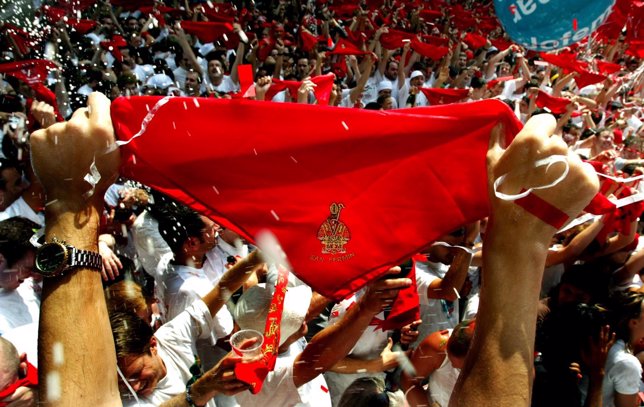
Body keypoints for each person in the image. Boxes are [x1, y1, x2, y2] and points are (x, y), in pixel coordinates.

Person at [401, 320, 476, 407]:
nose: (453, 366)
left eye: (461, 369)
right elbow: (409, 380)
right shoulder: (438, 345)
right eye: (450, 361)